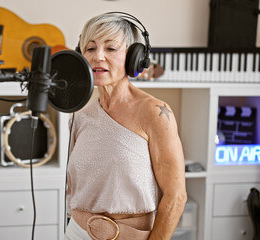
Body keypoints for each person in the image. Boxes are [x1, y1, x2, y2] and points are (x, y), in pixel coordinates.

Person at [65, 12, 187, 240]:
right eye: (90, 49)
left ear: (133, 57)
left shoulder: (156, 113)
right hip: (76, 232)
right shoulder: (79, 116)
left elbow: (176, 196)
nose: (98, 57)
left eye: (110, 48)